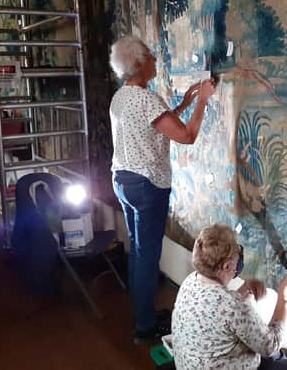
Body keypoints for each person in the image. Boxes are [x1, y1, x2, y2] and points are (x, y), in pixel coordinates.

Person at [109, 35, 216, 344]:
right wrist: (205, 100)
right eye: (151, 57)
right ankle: (144, 327)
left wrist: (188, 102)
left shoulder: (122, 97)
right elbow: (186, 136)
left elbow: (159, 123)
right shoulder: (147, 100)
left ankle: (143, 314)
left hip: (124, 182)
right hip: (147, 187)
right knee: (146, 256)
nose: (156, 61)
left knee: (138, 254)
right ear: (139, 64)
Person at [172, 224, 287, 370]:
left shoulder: (191, 281)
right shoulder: (233, 306)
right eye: (237, 254)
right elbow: (270, 346)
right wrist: (283, 300)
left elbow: (216, 310)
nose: (240, 257)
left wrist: (244, 289)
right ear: (227, 267)